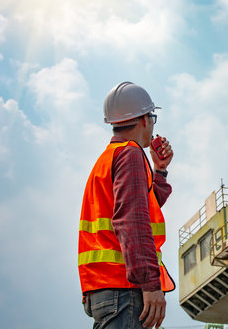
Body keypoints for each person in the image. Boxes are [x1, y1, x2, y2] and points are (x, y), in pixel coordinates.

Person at [78, 82, 175, 329]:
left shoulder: (110, 157)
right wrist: (151, 284)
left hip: (105, 289)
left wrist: (160, 171)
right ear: (144, 119)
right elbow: (132, 222)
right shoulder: (130, 155)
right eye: (153, 117)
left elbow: (145, 205)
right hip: (124, 289)